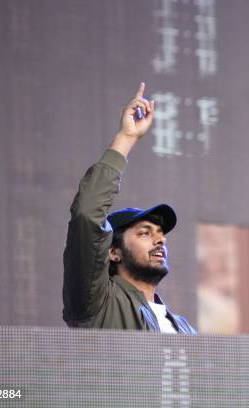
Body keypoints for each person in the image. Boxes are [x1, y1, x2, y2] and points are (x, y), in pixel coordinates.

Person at [62, 82, 196, 333]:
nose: (159, 241)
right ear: (113, 252)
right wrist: (126, 138)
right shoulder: (98, 302)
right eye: (145, 233)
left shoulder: (185, 329)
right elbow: (87, 214)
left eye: (160, 234)